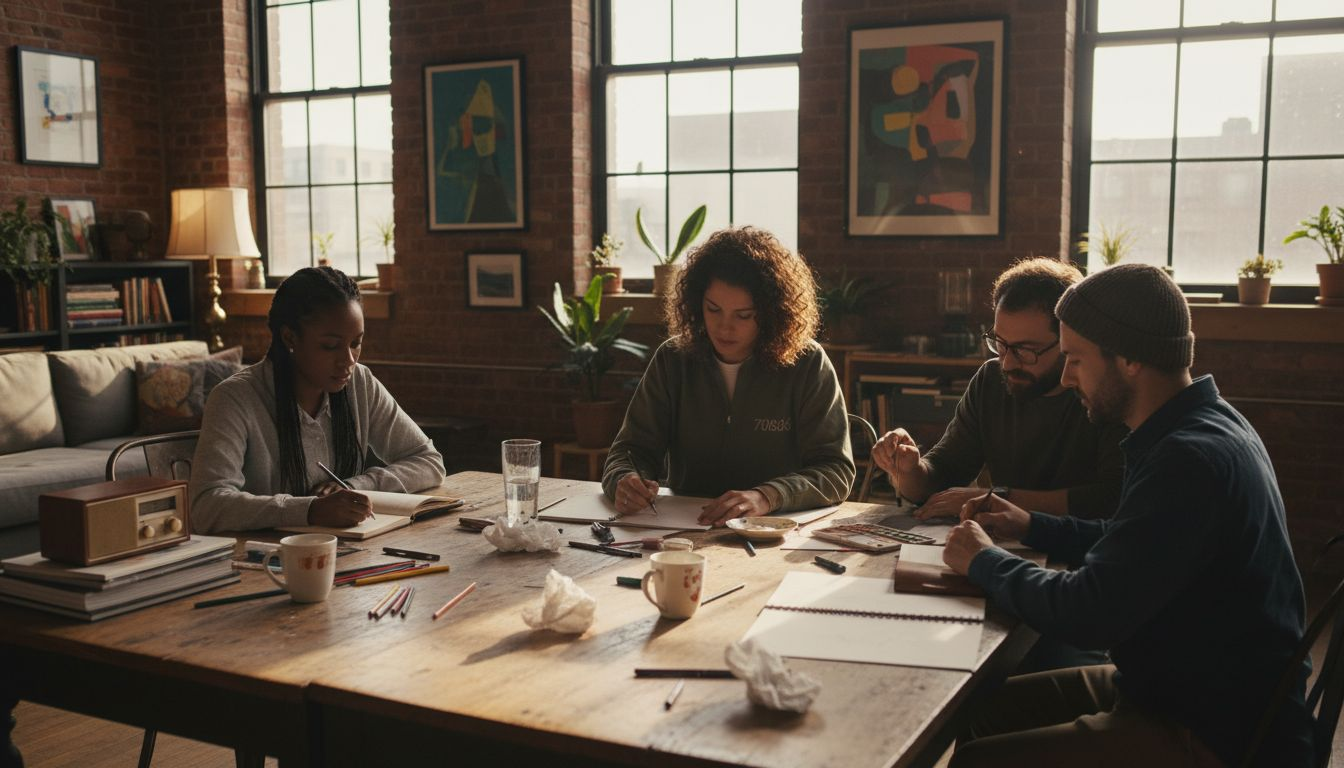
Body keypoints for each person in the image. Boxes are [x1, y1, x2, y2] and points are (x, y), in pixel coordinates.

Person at [942, 264, 1313, 768]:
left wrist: (983, 560)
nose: (1067, 376)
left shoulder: (1186, 460)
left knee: (978, 760)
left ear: (1131, 359)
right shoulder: (1205, 423)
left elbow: (1088, 612)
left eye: (1075, 359)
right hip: (1176, 688)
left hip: (1210, 730)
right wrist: (1031, 524)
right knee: (977, 708)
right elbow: (1135, 543)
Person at [602, 226, 854, 526]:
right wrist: (625, 480)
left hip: (773, 531)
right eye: (713, 310)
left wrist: (767, 496)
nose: (724, 327)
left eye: (743, 315)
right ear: (697, 304)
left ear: (772, 313)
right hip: (683, 529)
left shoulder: (807, 364)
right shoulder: (673, 359)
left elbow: (835, 470)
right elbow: (629, 452)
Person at [190, 266, 446, 533]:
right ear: (290, 337)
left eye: (356, 343)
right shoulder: (234, 399)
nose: (348, 360)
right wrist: (310, 510)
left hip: (351, 549)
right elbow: (207, 506)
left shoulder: (359, 383)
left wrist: (356, 486)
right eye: (330, 346)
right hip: (263, 553)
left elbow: (428, 461)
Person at [872, 258, 1126, 520]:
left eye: (1025, 350)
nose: (1007, 363)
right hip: (1005, 539)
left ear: (1068, 341)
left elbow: (1113, 498)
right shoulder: (991, 380)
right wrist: (908, 470)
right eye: (1001, 344)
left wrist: (996, 500)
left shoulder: (1104, 392)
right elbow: (942, 474)